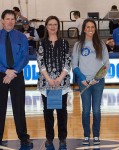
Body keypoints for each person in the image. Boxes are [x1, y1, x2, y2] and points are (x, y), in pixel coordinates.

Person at [72, 18, 109, 145]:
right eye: (87, 27)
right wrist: (82, 78)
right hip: (84, 83)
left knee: (97, 110)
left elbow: (106, 65)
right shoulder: (78, 45)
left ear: (95, 29)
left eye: (92, 27)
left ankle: (96, 135)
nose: (90, 29)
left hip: (98, 82)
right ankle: (87, 135)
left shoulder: (101, 44)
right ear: (84, 29)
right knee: (86, 110)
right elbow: (74, 65)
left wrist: (97, 78)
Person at [37, 16, 71, 150]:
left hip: (61, 84)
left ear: (58, 26)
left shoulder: (64, 43)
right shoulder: (41, 43)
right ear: (46, 26)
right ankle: (49, 138)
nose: (52, 27)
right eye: (50, 24)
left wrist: (60, 78)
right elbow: (40, 62)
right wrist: (49, 79)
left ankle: (63, 138)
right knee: (48, 112)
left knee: (62, 111)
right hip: (46, 84)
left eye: (55, 24)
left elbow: (68, 62)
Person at [0, 10, 33, 148]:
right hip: (1, 74)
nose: (10, 21)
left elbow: (25, 56)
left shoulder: (21, 37)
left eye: (12, 19)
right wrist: (5, 70)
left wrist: (13, 72)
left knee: (19, 107)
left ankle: (23, 137)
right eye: (7, 19)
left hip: (17, 74)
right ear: (2, 20)